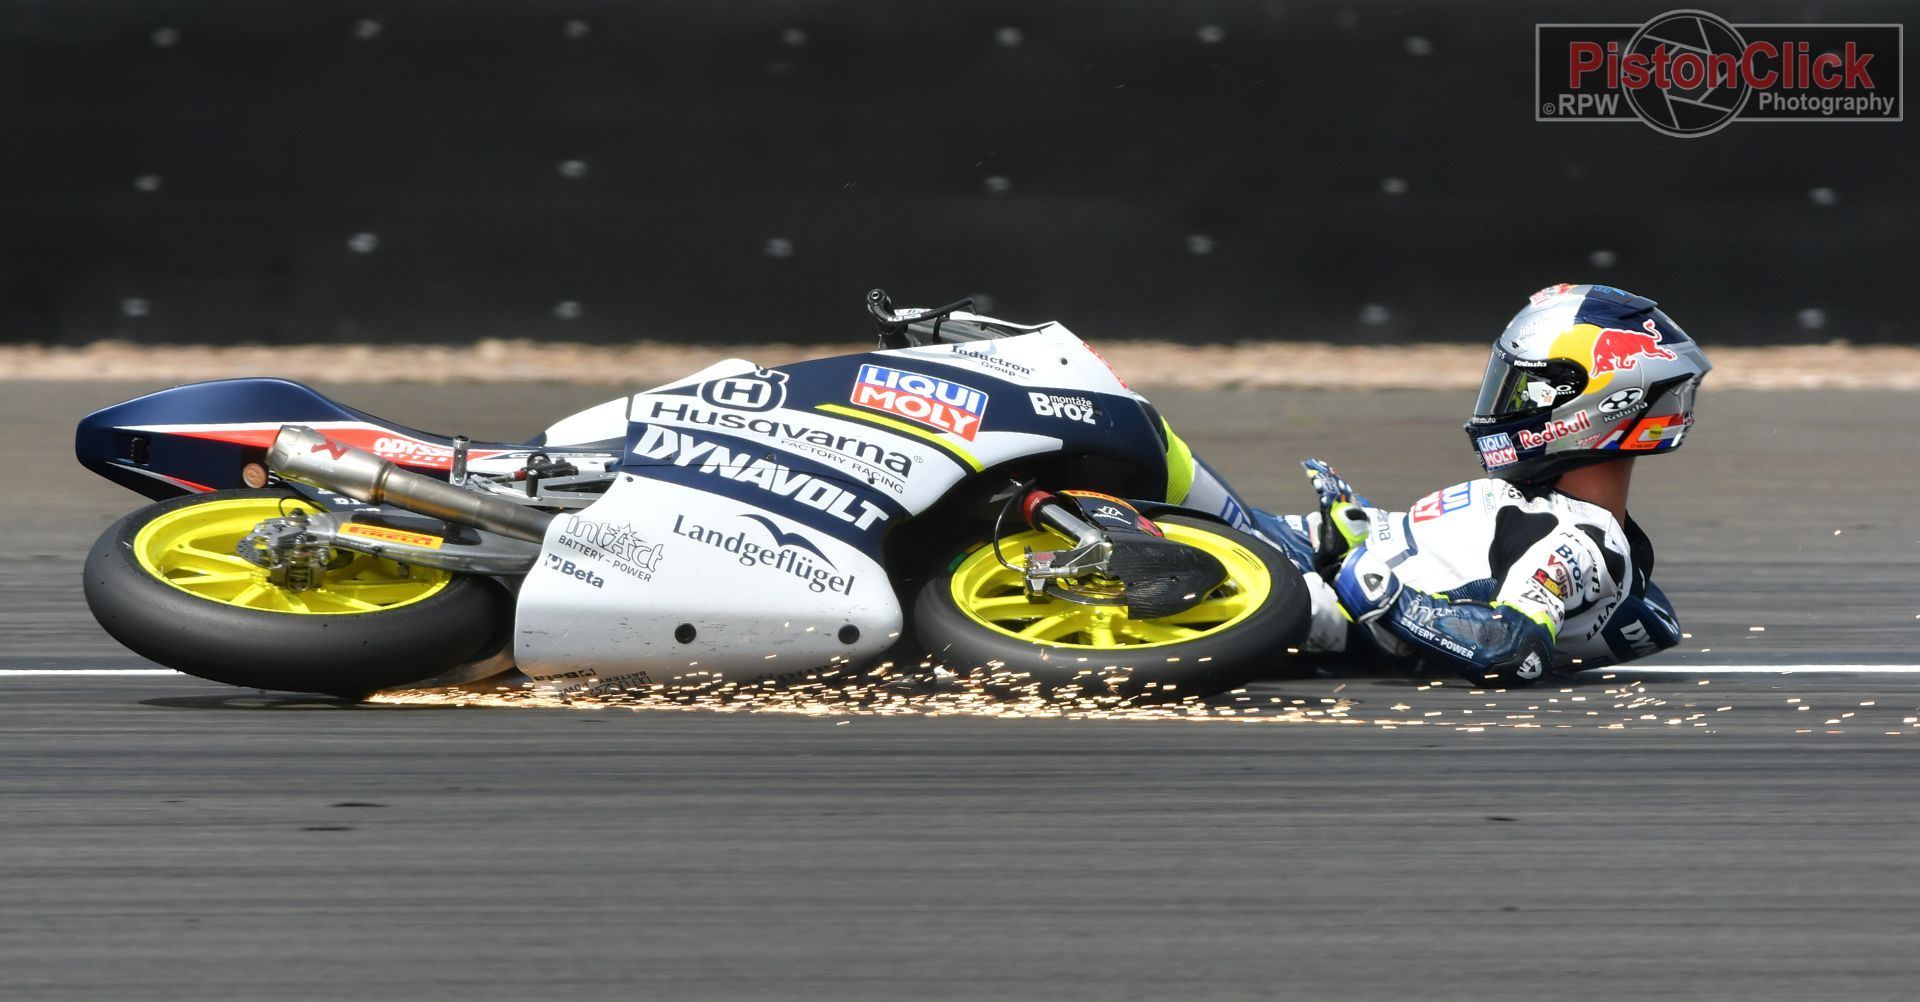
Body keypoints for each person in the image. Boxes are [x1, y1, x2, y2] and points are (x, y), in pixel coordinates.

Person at [1249, 283, 1712, 686]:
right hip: (1304, 546)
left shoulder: (1582, 541)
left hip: (1314, 597)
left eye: (1530, 389)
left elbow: (1512, 651)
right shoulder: (1548, 509)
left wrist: (1358, 574)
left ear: (1607, 403)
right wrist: (1361, 525)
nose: (1506, 402)